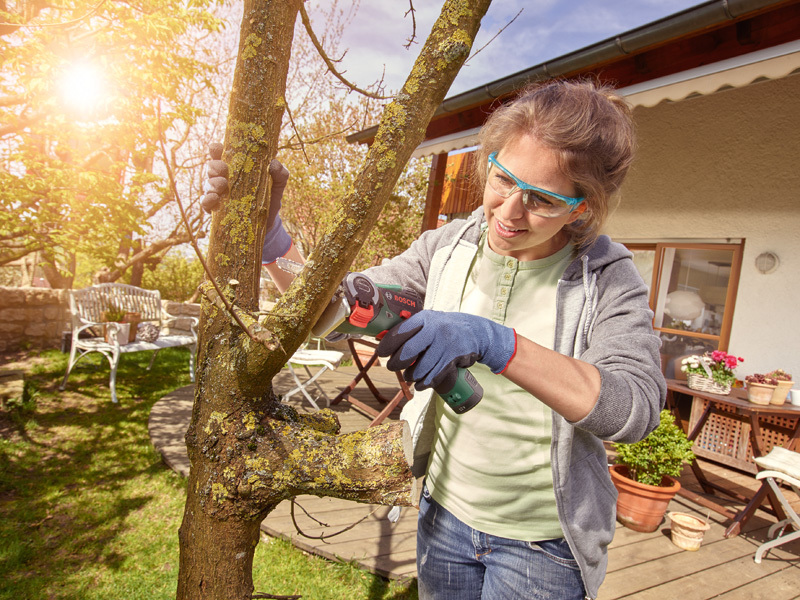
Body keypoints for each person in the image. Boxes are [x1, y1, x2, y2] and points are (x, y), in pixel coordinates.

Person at [206, 79, 666, 599]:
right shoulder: (447, 247)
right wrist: (271, 237)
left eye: (541, 199)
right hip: (443, 516)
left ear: (580, 208)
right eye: (503, 179)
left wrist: (498, 343)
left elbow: (634, 408)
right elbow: (339, 306)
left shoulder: (606, 277)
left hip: (543, 544)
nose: (509, 212)